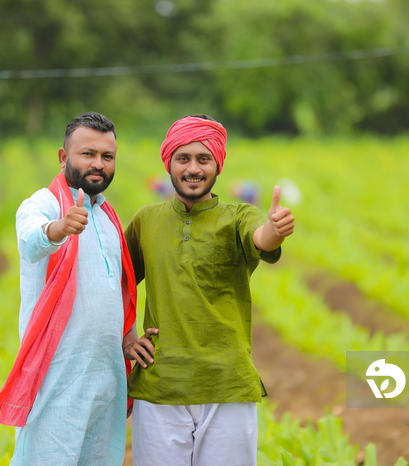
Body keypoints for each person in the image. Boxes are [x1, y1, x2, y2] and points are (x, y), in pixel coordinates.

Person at [122, 115, 295, 465]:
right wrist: (126, 337)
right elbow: (117, 284)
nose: (193, 168)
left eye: (204, 159)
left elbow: (260, 236)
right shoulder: (146, 220)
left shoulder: (237, 217)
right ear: (168, 163)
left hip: (226, 385)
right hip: (160, 386)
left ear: (218, 165)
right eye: (183, 158)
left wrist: (274, 230)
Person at [0, 111, 136, 465]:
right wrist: (59, 228)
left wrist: (129, 338)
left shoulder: (108, 216)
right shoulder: (44, 203)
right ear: (63, 157)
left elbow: (114, 289)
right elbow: (31, 239)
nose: (98, 163)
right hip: (57, 375)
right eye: (88, 153)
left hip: (106, 375)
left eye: (107, 156)